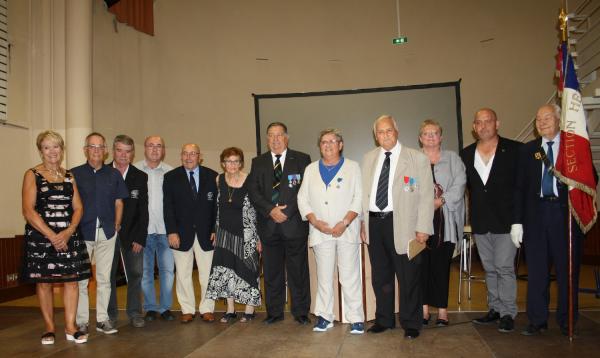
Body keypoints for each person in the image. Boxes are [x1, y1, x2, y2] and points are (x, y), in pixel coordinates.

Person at [513, 104, 586, 336]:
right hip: (536, 217)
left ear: (558, 120)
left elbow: (591, 177)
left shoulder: (573, 148)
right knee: (536, 272)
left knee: (567, 271)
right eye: (538, 119)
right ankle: (537, 320)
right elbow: (519, 189)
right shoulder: (528, 150)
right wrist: (517, 221)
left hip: (565, 217)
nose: (541, 123)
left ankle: (567, 320)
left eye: (547, 118)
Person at [360, 115, 434, 339]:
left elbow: (426, 196)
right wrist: (363, 223)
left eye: (389, 130)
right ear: (376, 136)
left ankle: (411, 322)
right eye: (380, 132)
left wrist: (423, 227)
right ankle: (384, 319)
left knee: (409, 276)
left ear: (397, 130)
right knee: (380, 276)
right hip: (375, 222)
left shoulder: (416, 158)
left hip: (405, 225)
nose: (385, 135)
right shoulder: (368, 158)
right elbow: (365, 194)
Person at [21, 130, 91, 345]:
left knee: (72, 281)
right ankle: (49, 327)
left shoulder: (69, 175)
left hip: (69, 236)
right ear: (40, 151)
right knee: (44, 283)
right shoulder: (32, 174)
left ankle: (71, 327)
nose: (52, 151)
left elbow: (78, 208)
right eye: (47, 147)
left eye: (56, 146)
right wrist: (52, 235)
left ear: (62, 150)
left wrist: (68, 232)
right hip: (42, 238)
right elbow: (28, 210)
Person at [297, 129, 365, 334]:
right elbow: (302, 199)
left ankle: (356, 318)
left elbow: (359, 198)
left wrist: (344, 223)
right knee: (324, 277)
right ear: (319, 145)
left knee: (349, 276)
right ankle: (324, 317)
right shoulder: (310, 169)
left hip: (347, 230)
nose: (328, 145)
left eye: (332, 141)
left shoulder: (353, 167)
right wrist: (316, 222)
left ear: (340, 145)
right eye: (324, 142)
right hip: (320, 231)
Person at [460, 108, 521, 333]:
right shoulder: (466, 154)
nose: (483, 125)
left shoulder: (515, 150)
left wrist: (518, 221)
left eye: (488, 121)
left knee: (505, 267)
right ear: (474, 127)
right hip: (481, 221)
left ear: (497, 124)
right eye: (479, 122)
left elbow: (521, 188)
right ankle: (495, 308)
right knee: (490, 268)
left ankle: (508, 312)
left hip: (507, 222)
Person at [247, 122, 312, 325]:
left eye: (279, 135)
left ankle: (301, 312)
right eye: (271, 136)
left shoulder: (302, 159)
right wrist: (270, 210)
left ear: (286, 137)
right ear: (267, 139)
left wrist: (288, 211)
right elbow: (254, 191)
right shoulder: (258, 162)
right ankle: (274, 312)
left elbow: (306, 190)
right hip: (269, 226)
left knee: (298, 272)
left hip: (294, 225)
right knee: (272, 273)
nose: (275, 139)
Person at [71, 132, 129, 335]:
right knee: (82, 280)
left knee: (105, 279)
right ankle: (82, 321)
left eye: (100, 147)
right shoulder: (74, 174)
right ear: (85, 150)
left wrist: (117, 224)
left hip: (107, 232)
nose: (96, 150)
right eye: (92, 147)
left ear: (105, 151)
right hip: (82, 233)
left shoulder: (114, 175)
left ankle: (102, 319)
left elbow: (119, 202)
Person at [418, 120, 466, 327]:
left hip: (445, 220)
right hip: (419, 221)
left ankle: (443, 311)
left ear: (441, 137)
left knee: (441, 267)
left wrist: (440, 200)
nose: (430, 136)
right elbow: (406, 184)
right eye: (426, 133)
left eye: (434, 133)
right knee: (422, 267)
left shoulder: (453, 159)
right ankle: (424, 310)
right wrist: (421, 202)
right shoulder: (413, 159)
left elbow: (461, 182)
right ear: (420, 138)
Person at [163, 143, 218, 323]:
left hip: (206, 234)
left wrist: (215, 229)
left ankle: (207, 308)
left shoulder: (213, 176)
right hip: (180, 233)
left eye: (192, 154)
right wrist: (171, 231)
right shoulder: (171, 177)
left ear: (199, 156)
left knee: (207, 273)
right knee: (183, 273)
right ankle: (187, 309)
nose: (188, 157)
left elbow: (218, 207)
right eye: (185, 154)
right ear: (181, 156)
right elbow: (168, 207)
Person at [206, 147, 261, 323]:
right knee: (226, 271)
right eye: (229, 161)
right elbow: (216, 208)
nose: (232, 165)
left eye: (236, 161)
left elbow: (257, 209)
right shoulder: (218, 179)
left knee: (248, 270)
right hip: (224, 233)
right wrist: (214, 229)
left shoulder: (250, 179)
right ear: (223, 163)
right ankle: (230, 310)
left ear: (241, 163)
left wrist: (259, 237)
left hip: (247, 234)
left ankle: (249, 309)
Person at [107, 135, 149, 328]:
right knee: (107, 277)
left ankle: (134, 313)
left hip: (133, 236)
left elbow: (143, 210)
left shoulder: (140, 176)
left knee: (135, 274)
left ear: (133, 154)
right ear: (113, 151)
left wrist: (140, 237)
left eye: (128, 151)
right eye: (119, 150)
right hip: (106, 235)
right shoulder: (102, 173)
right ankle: (110, 314)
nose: (123, 155)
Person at [135, 136, 176, 322]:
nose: (154, 149)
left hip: (166, 231)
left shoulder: (171, 173)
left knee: (167, 271)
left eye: (159, 146)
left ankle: (165, 307)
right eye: (151, 145)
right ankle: (150, 307)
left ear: (163, 150)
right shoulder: (134, 170)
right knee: (146, 272)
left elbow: (175, 205)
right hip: (143, 231)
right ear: (144, 148)